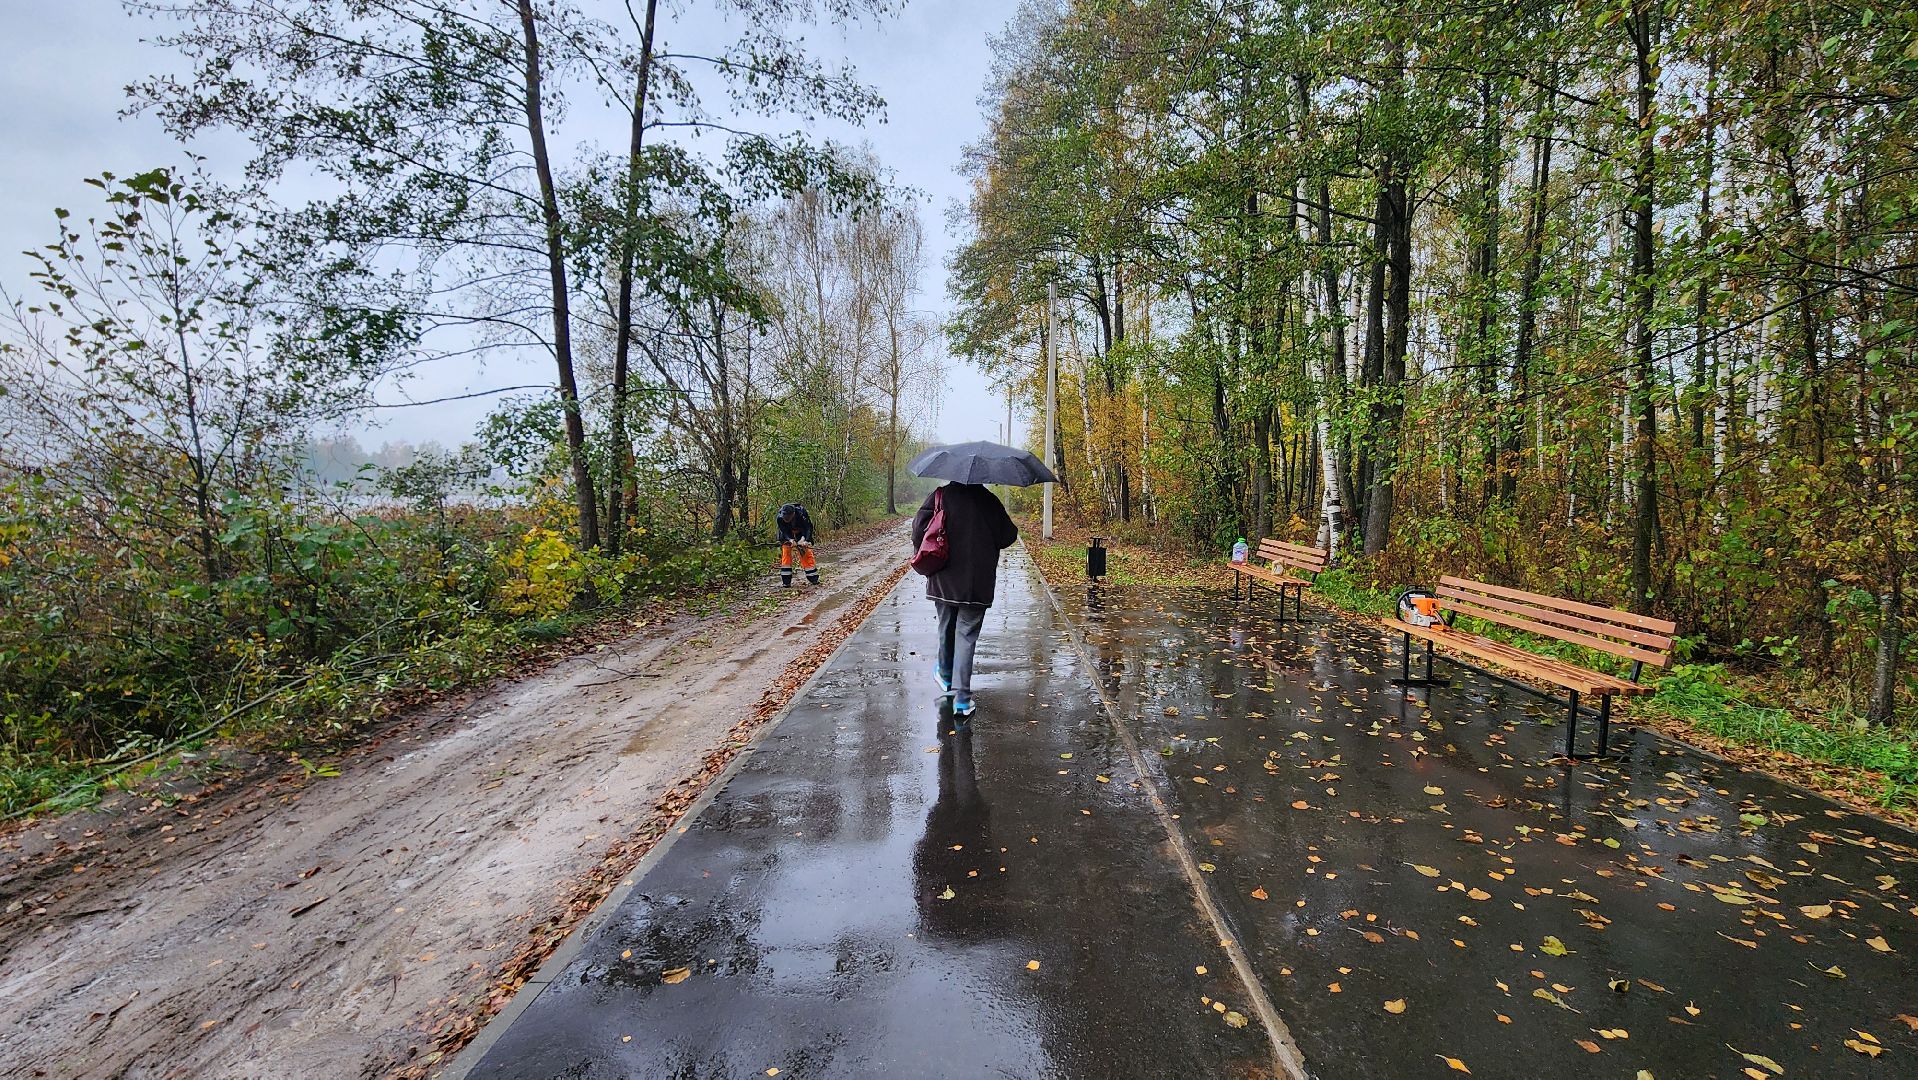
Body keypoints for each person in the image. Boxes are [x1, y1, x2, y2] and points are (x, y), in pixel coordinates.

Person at [911, 482, 1018, 718]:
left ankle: (945, 673)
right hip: (976, 584)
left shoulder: (940, 496)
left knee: (945, 625)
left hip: (943, 578)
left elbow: (918, 530)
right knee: (966, 636)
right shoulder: (990, 501)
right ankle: (962, 699)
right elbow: (1008, 536)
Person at [775, 503, 818, 587]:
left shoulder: (802, 513)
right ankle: (786, 582)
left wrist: (805, 539)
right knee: (786, 554)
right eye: (784, 517)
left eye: (788, 517)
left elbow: (808, 528)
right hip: (787, 535)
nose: (786, 518)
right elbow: (783, 531)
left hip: (801, 533)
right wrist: (790, 539)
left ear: (793, 514)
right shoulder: (779, 518)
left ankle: (813, 578)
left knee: (805, 553)